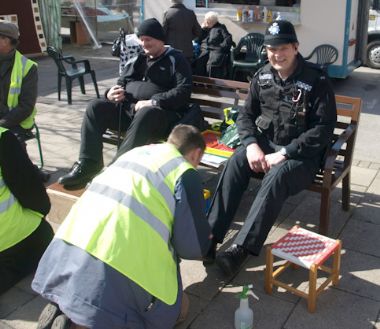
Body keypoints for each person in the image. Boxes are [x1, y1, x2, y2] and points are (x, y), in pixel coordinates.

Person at [32, 124, 212, 329]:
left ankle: (64, 308)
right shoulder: (184, 172)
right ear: (196, 153)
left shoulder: (136, 153)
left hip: (67, 250)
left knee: (87, 290)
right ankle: (81, 324)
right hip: (120, 269)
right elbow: (191, 247)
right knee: (180, 307)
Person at [206, 20, 337, 276]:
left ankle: (241, 249)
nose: (277, 54)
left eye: (283, 48)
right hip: (266, 147)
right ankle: (210, 237)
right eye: (271, 49)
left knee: (277, 176)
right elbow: (245, 116)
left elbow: (323, 129)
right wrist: (251, 145)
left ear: (296, 47)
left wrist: (284, 153)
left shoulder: (316, 80)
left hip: (302, 157)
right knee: (236, 162)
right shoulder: (262, 75)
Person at [58, 18, 193, 189]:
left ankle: (116, 170)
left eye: (148, 39)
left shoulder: (176, 59)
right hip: (131, 112)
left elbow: (184, 91)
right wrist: (110, 93)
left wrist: (152, 101)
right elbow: (121, 82)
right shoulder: (139, 59)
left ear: (160, 39)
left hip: (161, 117)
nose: (144, 43)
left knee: (147, 112)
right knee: (95, 106)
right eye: (141, 39)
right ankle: (88, 164)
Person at [0, 126, 53, 294]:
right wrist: (42, 213)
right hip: (12, 243)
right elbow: (34, 195)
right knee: (44, 234)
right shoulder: (3, 138)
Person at [0, 20, 38, 142]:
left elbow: (26, 106)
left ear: (6, 41)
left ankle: (18, 159)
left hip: (16, 122)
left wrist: (2, 123)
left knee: (9, 144)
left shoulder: (28, 67)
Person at [192, 11, 233, 78]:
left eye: (208, 21)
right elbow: (197, 40)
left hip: (216, 51)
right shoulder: (204, 28)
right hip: (204, 50)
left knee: (210, 65)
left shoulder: (221, 28)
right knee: (199, 63)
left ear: (213, 21)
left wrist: (220, 48)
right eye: (206, 20)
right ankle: (200, 84)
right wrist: (201, 29)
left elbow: (228, 39)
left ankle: (210, 85)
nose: (206, 22)